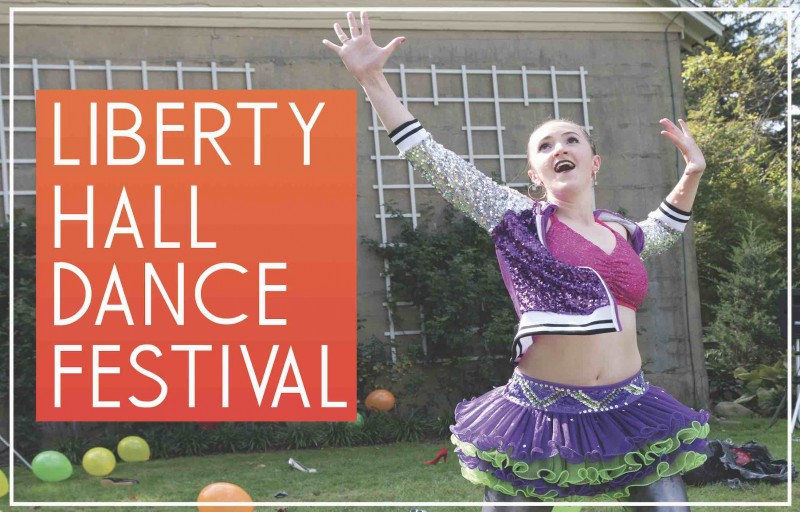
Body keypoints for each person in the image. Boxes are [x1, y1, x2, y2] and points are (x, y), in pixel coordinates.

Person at [324, 12, 710, 511]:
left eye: (572, 139)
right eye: (546, 146)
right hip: (539, 415)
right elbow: (433, 160)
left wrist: (693, 172)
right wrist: (371, 78)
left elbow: (662, 230)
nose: (560, 148)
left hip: (629, 407)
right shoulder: (518, 219)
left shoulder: (620, 231)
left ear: (594, 162)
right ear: (535, 174)